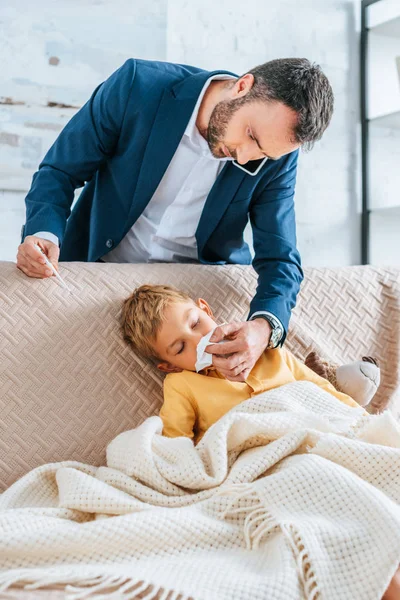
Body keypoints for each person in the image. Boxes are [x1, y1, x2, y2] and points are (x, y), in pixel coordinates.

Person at [16, 57, 334, 383]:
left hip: (194, 291)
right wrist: (43, 233)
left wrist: (263, 327)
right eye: (250, 135)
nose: (244, 158)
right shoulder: (138, 85)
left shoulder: (279, 158)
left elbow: (281, 259)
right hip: (96, 266)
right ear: (242, 86)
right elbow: (61, 171)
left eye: (263, 154)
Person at [121, 284, 361, 445]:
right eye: (180, 348)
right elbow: (176, 443)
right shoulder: (181, 383)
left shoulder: (266, 348)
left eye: (195, 324)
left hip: (314, 432)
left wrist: (361, 420)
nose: (198, 341)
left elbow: (320, 390)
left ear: (206, 310)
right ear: (170, 366)